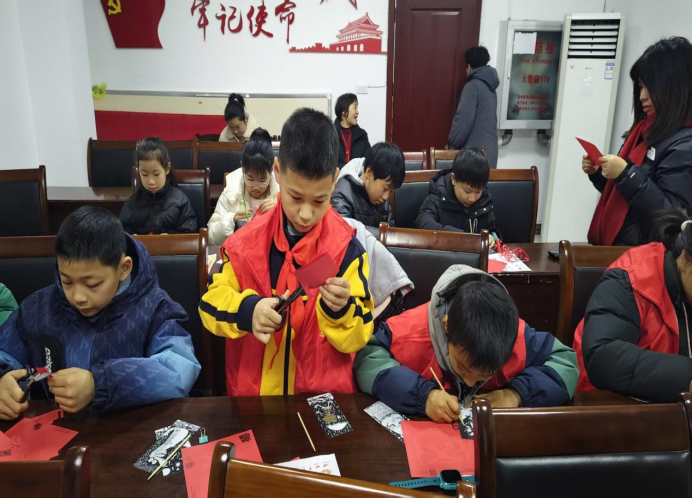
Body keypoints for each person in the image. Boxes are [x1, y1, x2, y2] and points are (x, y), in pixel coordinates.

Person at [200, 108, 375, 397]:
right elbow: (209, 305)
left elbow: (360, 335)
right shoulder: (245, 244)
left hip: (320, 399)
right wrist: (248, 311)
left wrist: (342, 310)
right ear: (278, 172)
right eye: (295, 197)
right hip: (254, 398)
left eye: (319, 200)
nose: (306, 214)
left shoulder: (347, 250)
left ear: (334, 180)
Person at [0, 207, 200, 420]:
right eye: (67, 281)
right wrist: (4, 381)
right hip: (56, 429)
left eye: (92, 284)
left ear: (124, 268)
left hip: (133, 429)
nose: (78, 297)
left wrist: (99, 384)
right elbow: (6, 352)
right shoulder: (37, 308)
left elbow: (180, 368)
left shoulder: (156, 309)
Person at [354, 266, 578, 422]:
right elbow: (367, 357)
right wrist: (423, 397)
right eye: (462, 367)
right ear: (446, 326)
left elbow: (566, 362)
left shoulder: (517, 336)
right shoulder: (409, 331)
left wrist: (516, 394)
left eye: (483, 377)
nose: (470, 382)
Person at [575, 209, 692, 403]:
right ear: (686, 259)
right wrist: (687, 377)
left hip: (671, 410)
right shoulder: (631, 278)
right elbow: (602, 358)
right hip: (611, 407)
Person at [585, 37, 692, 247]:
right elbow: (624, 200)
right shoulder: (645, 130)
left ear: (674, 87)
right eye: (640, 87)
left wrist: (626, 174)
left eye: (649, 87)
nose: (642, 96)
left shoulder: (685, 145)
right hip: (622, 250)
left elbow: (675, 220)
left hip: (646, 258)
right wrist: (599, 173)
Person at [208, 128, 279, 245]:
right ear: (243, 168)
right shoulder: (231, 193)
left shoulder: (282, 195)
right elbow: (211, 238)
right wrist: (231, 220)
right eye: (250, 179)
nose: (256, 187)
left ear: (271, 170)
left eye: (262, 180)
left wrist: (279, 211)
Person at [414, 147, 498, 247]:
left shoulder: (484, 200)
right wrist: (463, 237)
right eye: (467, 191)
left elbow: (491, 229)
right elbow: (423, 223)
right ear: (453, 179)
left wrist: (492, 237)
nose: (472, 198)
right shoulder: (438, 196)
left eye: (478, 192)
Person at [120, 137, 198, 235]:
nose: (151, 182)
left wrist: (171, 237)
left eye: (156, 174)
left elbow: (190, 234)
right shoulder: (132, 203)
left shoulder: (181, 201)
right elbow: (121, 234)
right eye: (144, 174)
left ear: (167, 168)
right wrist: (131, 239)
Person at [447, 46, 499, 169]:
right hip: (490, 152)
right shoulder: (491, 87)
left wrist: (451, 147)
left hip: (474, 156)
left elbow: (463, 120)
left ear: (469, 66)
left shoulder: (472, 86)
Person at [331, 142, 405, 228]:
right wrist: (382, 233)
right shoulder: (342, 194)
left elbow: (391, 231)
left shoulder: (381, 197)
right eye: (385, 188)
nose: (386, 197)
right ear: (369, 172)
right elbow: (341, 231)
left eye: (391, 191)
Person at [334, 93, 371, 167]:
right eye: (355, 107)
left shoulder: (362, 135)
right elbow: (328, 163)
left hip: (357, 174)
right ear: (344, 111)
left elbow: (368, 160)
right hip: (337, 174)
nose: (357, 112)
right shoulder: (330, 134)